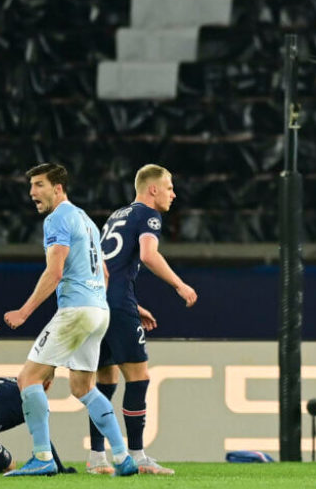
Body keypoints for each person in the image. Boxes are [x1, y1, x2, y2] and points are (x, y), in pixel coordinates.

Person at [2, 162, 138, 477]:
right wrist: (96, 304)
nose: (33, 192)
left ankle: (42, 456)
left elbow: (55, 272)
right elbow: (104, 272)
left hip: (76, 310)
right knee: (83, 387)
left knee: (29, 379)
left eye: (39, 185)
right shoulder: (86, 220)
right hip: (98, 311)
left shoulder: (58, 219)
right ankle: (122, 457)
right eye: (31, 186)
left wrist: (24, 311)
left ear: (58, 188)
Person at [86, 164, 197, 475]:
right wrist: (179, 284)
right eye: (170, 187)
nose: (173, 194)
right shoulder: (149, 215)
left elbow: (108, 266)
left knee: (104, 382)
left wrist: (134, 305)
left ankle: (97, 458)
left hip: (98, 302)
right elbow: (148, 255)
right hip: (118, 303)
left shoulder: (115, 216)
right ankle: (137, 455)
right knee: (138, 377)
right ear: (152, 190)